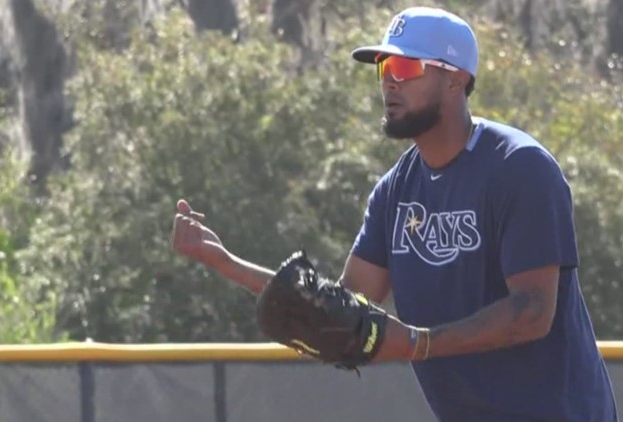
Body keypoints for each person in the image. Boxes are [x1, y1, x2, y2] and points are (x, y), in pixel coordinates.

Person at [171, 6, 619, 421]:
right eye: (385, 69)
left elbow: (532, 313)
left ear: (455, 78)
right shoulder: (395, 191)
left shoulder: (519, 167)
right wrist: (226, 264)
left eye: (406, 68)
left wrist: (421, 343)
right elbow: (339, 312)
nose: (389, 82)